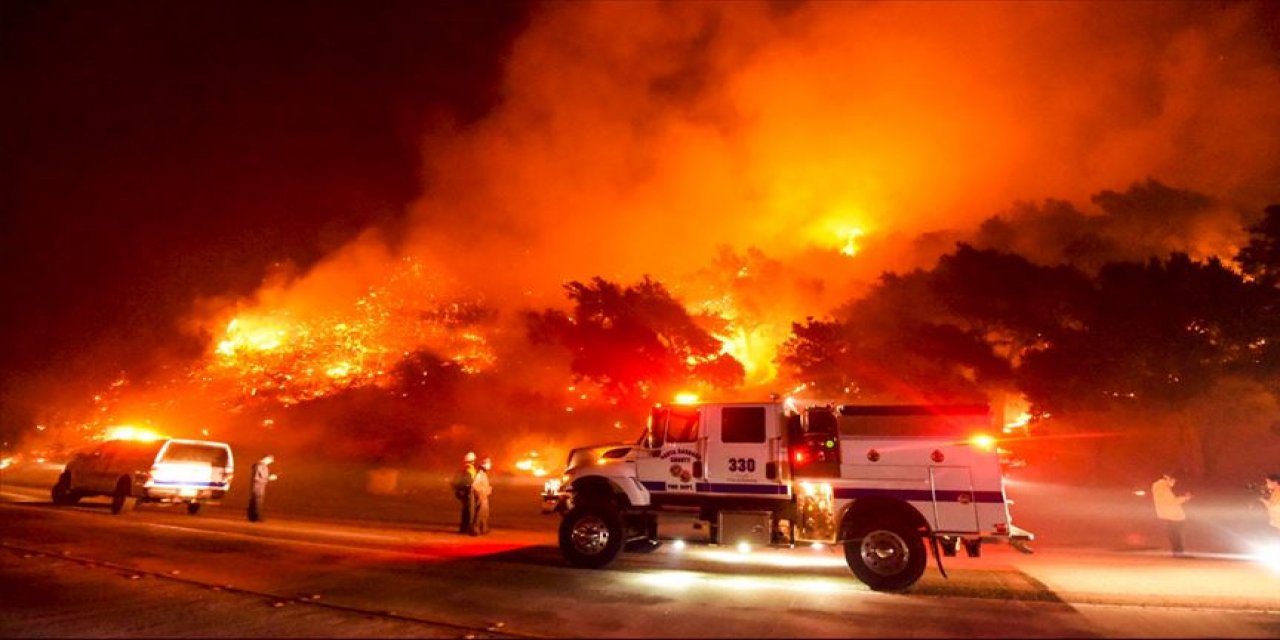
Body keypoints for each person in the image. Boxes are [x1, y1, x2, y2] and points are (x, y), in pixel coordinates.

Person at [1151, 470, 1192, 556]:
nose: (1173, 483)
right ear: (1167, 477)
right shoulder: (1162, 487)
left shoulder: (1157, 486)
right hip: (1174, 515)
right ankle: (1179, 552)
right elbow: (1172, 501)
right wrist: (1185, 498)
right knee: (1176, 534)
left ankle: (1177, 552)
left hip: (1168, 514)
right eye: (1173, 480)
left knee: (1173, 534)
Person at [451, 452, 478, 534]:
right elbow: (468, 481)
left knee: (466, 511)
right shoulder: (469, 469)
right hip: (468, 492)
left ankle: (463, 528)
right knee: (469, 511)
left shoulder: (465, 468)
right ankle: (467, 529)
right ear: (473, 460)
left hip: (465, 492)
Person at [247, 454, 277, 522]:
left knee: (254, 501)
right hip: (258, 486)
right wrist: (270, 478)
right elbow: (258, 477)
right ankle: (257, 517)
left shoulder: (259, 465)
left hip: (257, 486)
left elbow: (260, 476)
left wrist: (268, 478)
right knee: (257, 502)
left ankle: (252, 517)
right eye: (270, 460)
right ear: (266, 458)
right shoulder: (260, 466)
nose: (270, 462)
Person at [470, 457, 493, 535]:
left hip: (484, 496)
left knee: (485, 513)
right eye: (488, 463)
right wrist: (481, 493)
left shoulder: (484, 474)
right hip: (481, 497)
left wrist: (487, 489)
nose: (490, 465)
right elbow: (474, 486)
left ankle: (484, 528)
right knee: (480, 513)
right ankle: (475, 529)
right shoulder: (480, 474)